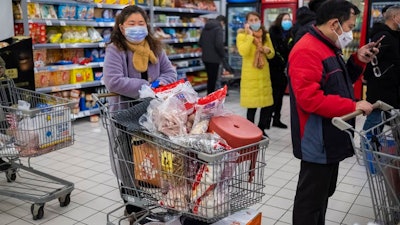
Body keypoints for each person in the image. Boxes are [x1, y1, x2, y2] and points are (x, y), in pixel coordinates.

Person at [287, 0, 379, 224]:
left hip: (330, 135)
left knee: (322, 195)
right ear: (334, 23)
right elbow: (309, 99)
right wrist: (352, 106)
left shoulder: (327, 46)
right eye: (349, 26)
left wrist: (358, 59)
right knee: (309, 201)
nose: (350, 32)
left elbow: (338, 81)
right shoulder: (307, 50)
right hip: (316, 139)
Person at [102, 5, 177, 220]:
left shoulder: (155, 47)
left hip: (153, 113)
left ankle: (157, 196)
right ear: (121, 27)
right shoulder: (116, 49)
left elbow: (170, 72)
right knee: (128, 159)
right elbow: (112, 80)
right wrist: (144, 86)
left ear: (147, 25)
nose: (137, 28)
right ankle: (133, 204)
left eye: (141, 23)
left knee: (150, 157)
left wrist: (158, 84)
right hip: (125, 114)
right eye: (131, 24)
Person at [236, 11, 275, 136]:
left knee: (266, 106)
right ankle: (250, 130)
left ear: (260, 21)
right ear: (247, 23)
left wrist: (268, 51)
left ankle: (261, 129)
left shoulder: (266, 36)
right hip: (250, 76)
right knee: (251, 107)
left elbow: (272, 54)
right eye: (251, 20)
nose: (254, 22)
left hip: (264, 75)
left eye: (256, 19)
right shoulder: (242, 36)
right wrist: (249, 36)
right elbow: (243, 51)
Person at [363, 5, 400, 133]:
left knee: (391, 123)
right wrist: (367, 78)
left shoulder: (395, 36)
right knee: (375, 122)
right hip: (381, 89)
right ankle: (367, 150)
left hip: (393, 89)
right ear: (395, 17)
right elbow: (371, 60)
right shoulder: (383, 36)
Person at [267, 13, 293, 129]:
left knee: (280, 96)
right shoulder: (273, 32)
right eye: (285, 19)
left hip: (285, 69)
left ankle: (277, 119)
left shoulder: (291, 34)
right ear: (279, 20)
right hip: (274, 68)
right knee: (273, 96)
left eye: (289, 19)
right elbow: (274, 51)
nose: (287, 21)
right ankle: (267, 120)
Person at [199, 15, 232, 94]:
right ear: (222, 22)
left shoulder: (205, 28)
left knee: (210, 78)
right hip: (215, 58)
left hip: (205, 58)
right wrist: (223, 54)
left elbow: (200, 42)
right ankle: (211, 97)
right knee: (214, 79)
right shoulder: (218, 29)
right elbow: (218, 44)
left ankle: (209, 95)